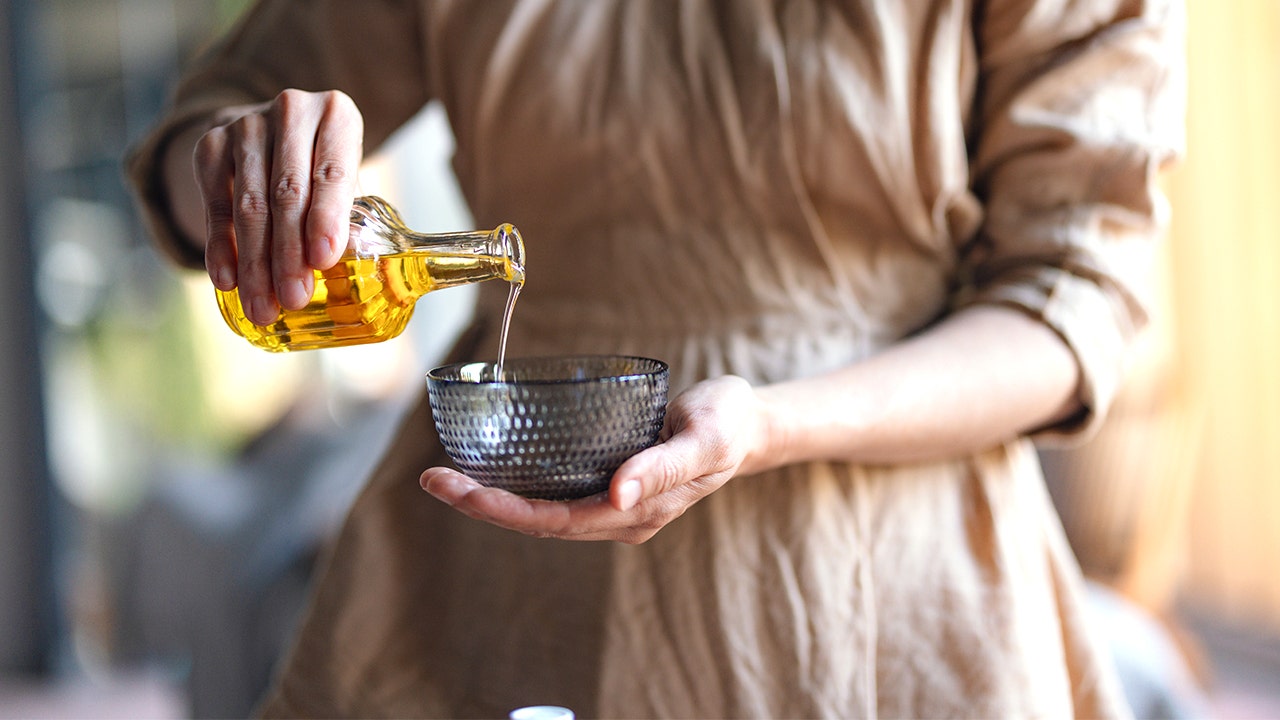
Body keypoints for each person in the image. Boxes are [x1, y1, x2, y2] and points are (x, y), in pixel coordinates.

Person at [125, 1, 1185, 717]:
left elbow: (1072, 298)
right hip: (507, 575)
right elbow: (198, 131)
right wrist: (235, 170)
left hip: (885, 588)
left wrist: (771, 422)